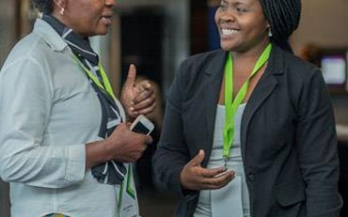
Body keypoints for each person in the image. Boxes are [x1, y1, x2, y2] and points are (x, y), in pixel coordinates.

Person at [153, 0, 342, 217]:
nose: (225, 16)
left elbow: (321, 174)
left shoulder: (303, 79)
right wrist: (182, 176)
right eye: (223, 6)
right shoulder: (191, 72)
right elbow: (167, 153)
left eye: (240, 9)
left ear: (269, 21)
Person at [0, 0, 157, 216]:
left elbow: (76, 131)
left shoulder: (77, 56)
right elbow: (14, 161)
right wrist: (109, 149)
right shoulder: (32, 58)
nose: (111, 2)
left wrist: (124, 113)